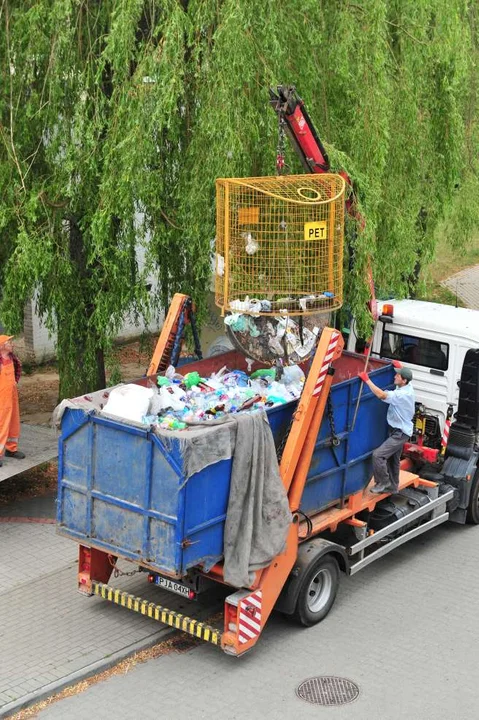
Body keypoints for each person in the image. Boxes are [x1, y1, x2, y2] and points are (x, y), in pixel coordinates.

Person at [359, 363, 415, 494]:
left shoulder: (401, 395)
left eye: (398, 375)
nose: (395, 376)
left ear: (404, 380)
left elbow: (381, 395)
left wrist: (367, 380)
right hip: (399, 430)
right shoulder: (408, 386)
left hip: (399, 433)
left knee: (378, 455)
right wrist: (399, 366)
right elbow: (403, 378)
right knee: (393, 460)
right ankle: (393, 486)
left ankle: (383, 482)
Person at [0, 335, 25, 467]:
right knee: (2, 423)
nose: (12, 344)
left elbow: (18, 368)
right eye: (9, 342)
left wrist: (15, 381)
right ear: (2, 346)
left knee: (14, 422)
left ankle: (11, 449)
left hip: (12, 394)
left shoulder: (12, 358)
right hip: (1, 397)